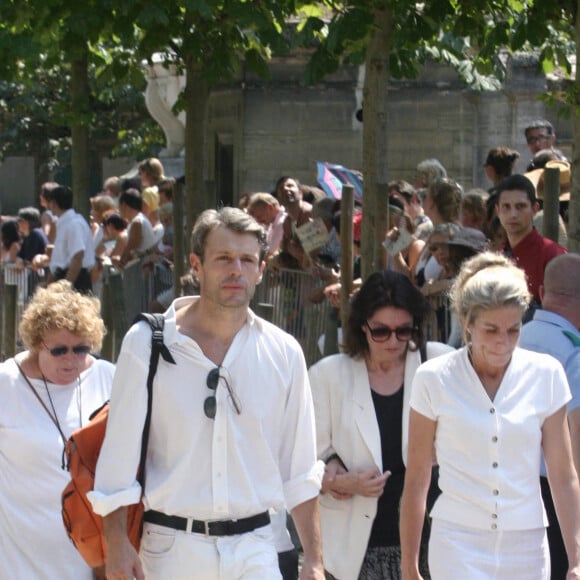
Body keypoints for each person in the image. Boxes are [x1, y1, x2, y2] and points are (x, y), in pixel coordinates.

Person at [89, 207, 324, 580]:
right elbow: (118, 455)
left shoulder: (284, 352)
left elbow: (300, 469)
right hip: (171, 548)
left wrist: (313, 559)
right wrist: (116, 543)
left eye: (248, 259)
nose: (236, 270)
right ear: (197, 265)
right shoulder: (147, 344)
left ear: (261, 270)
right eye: (224, 258)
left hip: (257, 548)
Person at [400, 252, 580, 579]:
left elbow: (563, 475)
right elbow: (417, 478)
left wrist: (576, 558)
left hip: (527, 544)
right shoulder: (433, 377)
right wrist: (409, 563)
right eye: (491, 329)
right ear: (467, 324)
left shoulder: (547, 373)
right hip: (456, 542)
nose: (503, 342)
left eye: (513, 330)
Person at [309, 270, 453, 580]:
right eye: (381, 331)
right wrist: (336, 479)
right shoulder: (328, 375)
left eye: (403, 330)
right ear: (363, 327)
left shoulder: (440, 364)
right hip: (355, 549)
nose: (394, 340)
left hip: (432, 543)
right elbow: (305, 458)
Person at [0, 280, 114, 579]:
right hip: (21, 554)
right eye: (60, 350)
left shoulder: (110, 379)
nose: (71, 359)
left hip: (89, 552)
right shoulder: (5, 384)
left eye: (81, 349)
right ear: (37, 343)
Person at [520, 253, 580, 580]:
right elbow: (577, 433)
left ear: (542, 292)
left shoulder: (512, 339)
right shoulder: (574, 352)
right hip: (557, 493)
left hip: (510, 484)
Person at [495, 174, 566, 309]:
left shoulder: (553, 256)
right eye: (506, 207)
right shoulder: (498, 257)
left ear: (534, 209)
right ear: (497, 211)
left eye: (520, 206)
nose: (513, 214)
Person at [114, 188, 157, 268]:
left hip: (145, 271)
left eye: (119, 206)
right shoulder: (139, 220)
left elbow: (130, 249)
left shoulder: (137, 222)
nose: (118, 210)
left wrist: (120, 261)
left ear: (124, 205)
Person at [247, 192, 288, 259]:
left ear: (270, 208)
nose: (258, 221)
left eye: (259, 216)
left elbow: (270, 253)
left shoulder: (281, 223)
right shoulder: (272, 223)